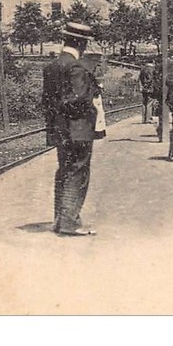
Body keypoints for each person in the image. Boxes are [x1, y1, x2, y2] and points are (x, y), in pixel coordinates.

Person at [41, 22, 103, 236]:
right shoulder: (77, 68)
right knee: (78, 172)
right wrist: (92, 94)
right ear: (81, 43)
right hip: (77, 129)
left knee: (64, 171)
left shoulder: (52, 66)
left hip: (60, 129)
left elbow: (48, 100)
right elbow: (77, 100)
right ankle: (70, 222)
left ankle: (60, 219)